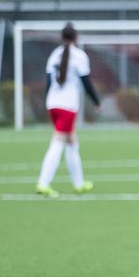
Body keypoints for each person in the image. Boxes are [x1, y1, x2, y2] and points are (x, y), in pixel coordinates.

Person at [35, 22, 102, 198]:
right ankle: (43, 183)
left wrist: (48, 101)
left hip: (53, 103)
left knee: (72, 142)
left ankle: (79, 184)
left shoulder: (54, 54)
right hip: (67, 105)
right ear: (76, 37)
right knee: (58, 142)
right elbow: (86, 82)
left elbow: (49, 82)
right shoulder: (79, 56)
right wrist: (96, 101)